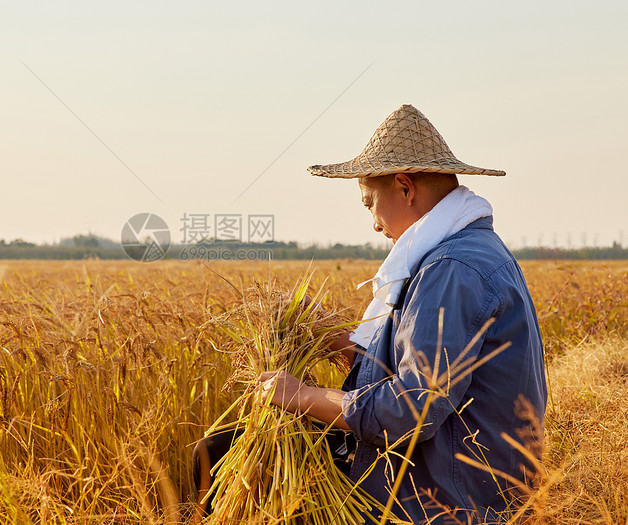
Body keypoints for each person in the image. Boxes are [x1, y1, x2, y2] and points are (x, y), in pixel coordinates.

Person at [192, 104, 547, 524]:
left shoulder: (450, 270)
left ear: (404, 187)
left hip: (442, 498)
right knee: (217, 451)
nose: (374, 225)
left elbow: (413, 408)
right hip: (445, 471)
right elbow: (416, 370)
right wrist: (333, 337)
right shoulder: (464, 251)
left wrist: (303, 396)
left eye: (369, 203)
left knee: (236, 471)